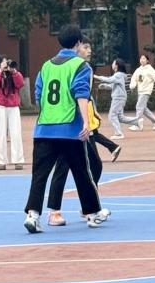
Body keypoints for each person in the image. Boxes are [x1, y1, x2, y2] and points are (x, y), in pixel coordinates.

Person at [23, 25, 108, 233]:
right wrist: (86, 122)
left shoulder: (46, 66)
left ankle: (33, 215)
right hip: (70, 129)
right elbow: (81, 94)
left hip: (44, 128)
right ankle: (92, 213)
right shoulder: (81, 65)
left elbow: (39, 95)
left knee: (39, 175)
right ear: (78, 43)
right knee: (82, 172)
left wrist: (48, 115)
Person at [46, 41, 117, 226]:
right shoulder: (69, 67)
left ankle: (88, 208)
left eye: (90, 47)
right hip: (68, 126)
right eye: (85, 47)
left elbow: (86, 97)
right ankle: (54, 212)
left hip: (83, 126)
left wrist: (90, 119)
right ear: (76, 47)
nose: (89, 50)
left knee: (95, 165)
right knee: (62, 167)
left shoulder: (85, 68)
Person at [0, 59, 25, 170]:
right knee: (0, 135)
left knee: (16, 133)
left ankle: (18, 160)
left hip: (13, 106)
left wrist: (13, 71)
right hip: (0, 106)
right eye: (4, 63)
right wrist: (1, 71)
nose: (6, 65)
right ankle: (2, 161)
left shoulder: (15, 74)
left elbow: (20, 84)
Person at [94, 58, 130, 138]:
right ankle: (137, 122)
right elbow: (112, 85)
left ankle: (118, 133)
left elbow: (109, 80)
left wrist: (96, 76)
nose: (112, 64)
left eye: (113, 63)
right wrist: (104, 86)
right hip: (119, 97)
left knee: (112, 115)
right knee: (120, 117)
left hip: (118, 97)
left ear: (117, 65)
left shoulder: (118, 75)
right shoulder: (119, 75)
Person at [128, 53, 155, 131]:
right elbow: (134, 78)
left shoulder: (150, 70)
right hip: (140, 91)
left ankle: (137, 124)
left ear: (147, 61)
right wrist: (132, 86)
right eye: (141, 58)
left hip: (146, 91)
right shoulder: (138, 70)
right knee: (143, 109)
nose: (142, 60)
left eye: (144, 58)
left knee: (139, 106)